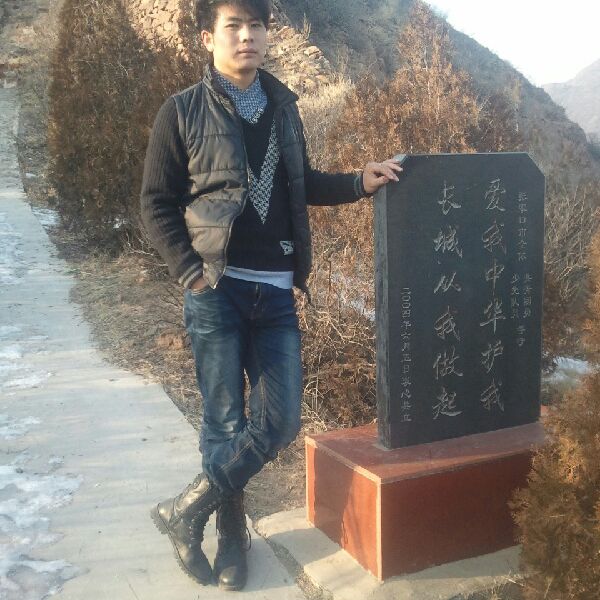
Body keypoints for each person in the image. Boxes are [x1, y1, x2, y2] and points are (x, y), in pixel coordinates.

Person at [140, 0, 403, 591]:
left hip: (276, 292)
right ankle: (233, 538)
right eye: (233, 26)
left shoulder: (284, 109)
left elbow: (299, 184)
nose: (247, 37)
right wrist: (190, 271)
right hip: (216, 288)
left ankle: (185, 510)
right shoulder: (181, 110)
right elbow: (155, 202)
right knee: (224, 421)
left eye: (256, 25)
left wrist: (359, 181)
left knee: (280, 422)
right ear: (208, 37)